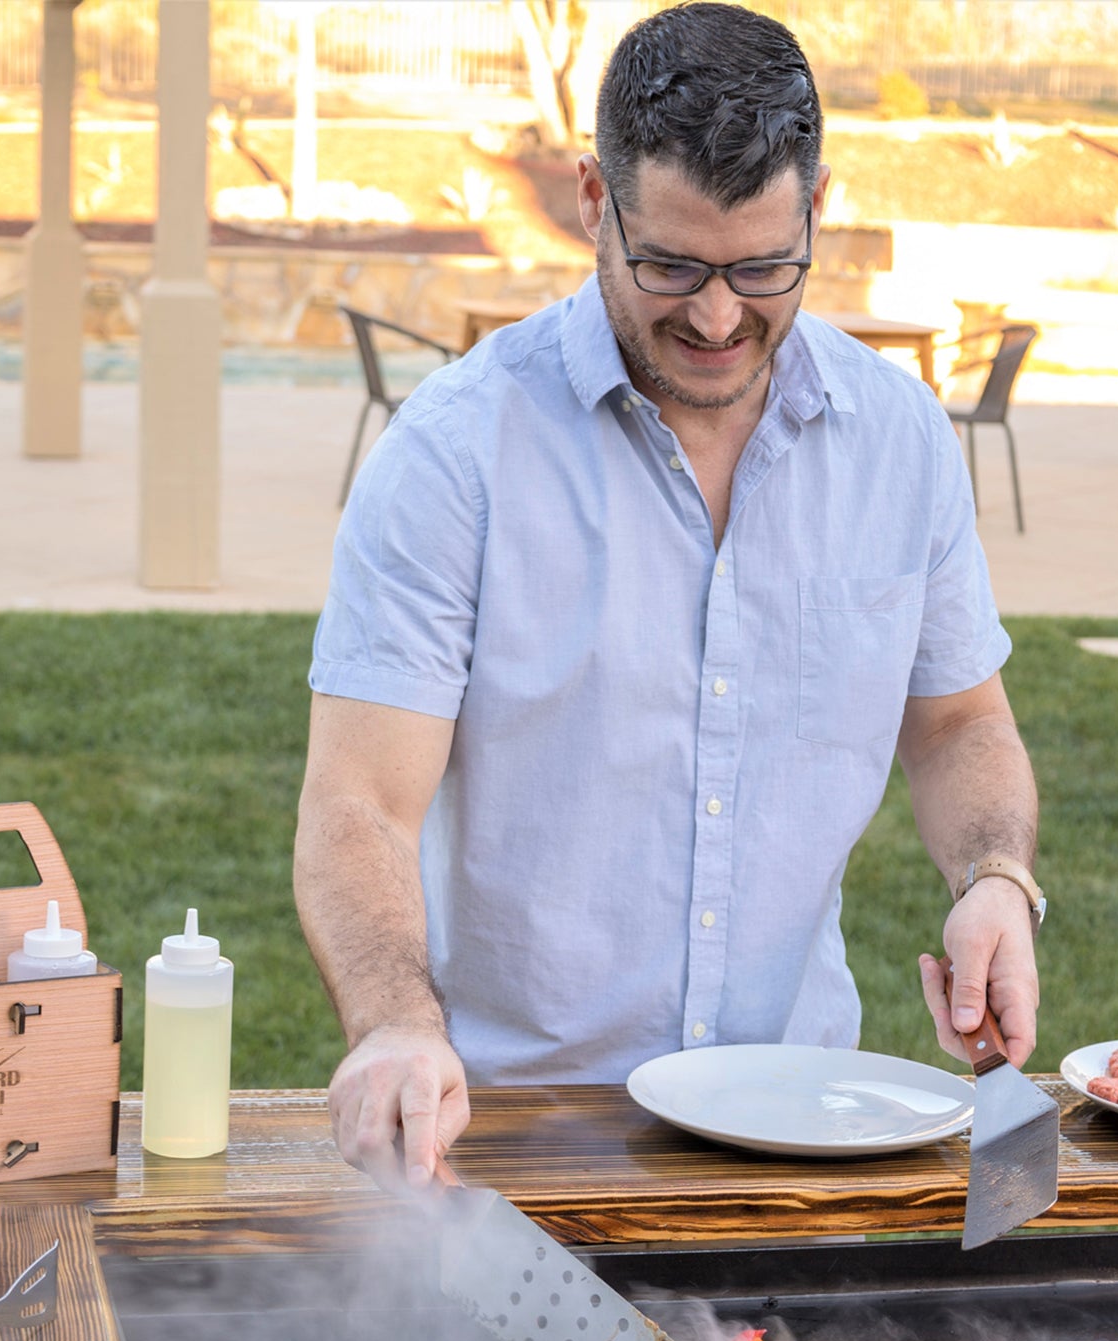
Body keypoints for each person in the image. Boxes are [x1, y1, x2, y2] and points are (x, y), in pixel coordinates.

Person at [294, 1, 1041, 1192]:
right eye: (671, 266)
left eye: (762, 268)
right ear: (594, 200)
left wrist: (993, 878)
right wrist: (392, 1023)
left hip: (804, 1122)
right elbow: (359, 804)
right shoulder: (455, 453)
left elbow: (959, 724)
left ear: (815, 207)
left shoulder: (899, 441)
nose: (715, 315)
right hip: (519, 1137)